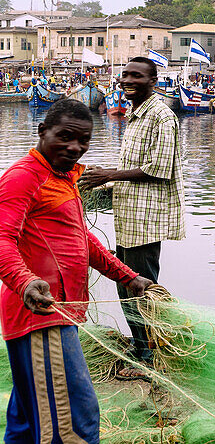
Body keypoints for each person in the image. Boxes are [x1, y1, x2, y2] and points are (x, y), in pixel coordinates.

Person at [0, 99, 152, 442]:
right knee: (74, 421)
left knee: (26, 422)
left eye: (83, 140)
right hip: (40, 314)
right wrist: (25, 282)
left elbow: (81, 239)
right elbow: (1, 237)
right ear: (43, 132)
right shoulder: (24, 178)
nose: (75, 148)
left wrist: (128, 276)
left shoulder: (62, 177)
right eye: (65, 137)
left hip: (61, 312)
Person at [80, 57, 184, 378]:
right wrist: (102, 184)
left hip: (145, 219)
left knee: (140, 287)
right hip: (129, 215)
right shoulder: (135, 116)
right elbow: (133, 171)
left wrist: (109, 173)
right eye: (125, 74)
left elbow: (158, 169)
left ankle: (149, 357)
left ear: (152, 80)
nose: (127, 80)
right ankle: (142, 346)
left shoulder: (161, 117)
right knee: (126, 285)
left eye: (136, 76)